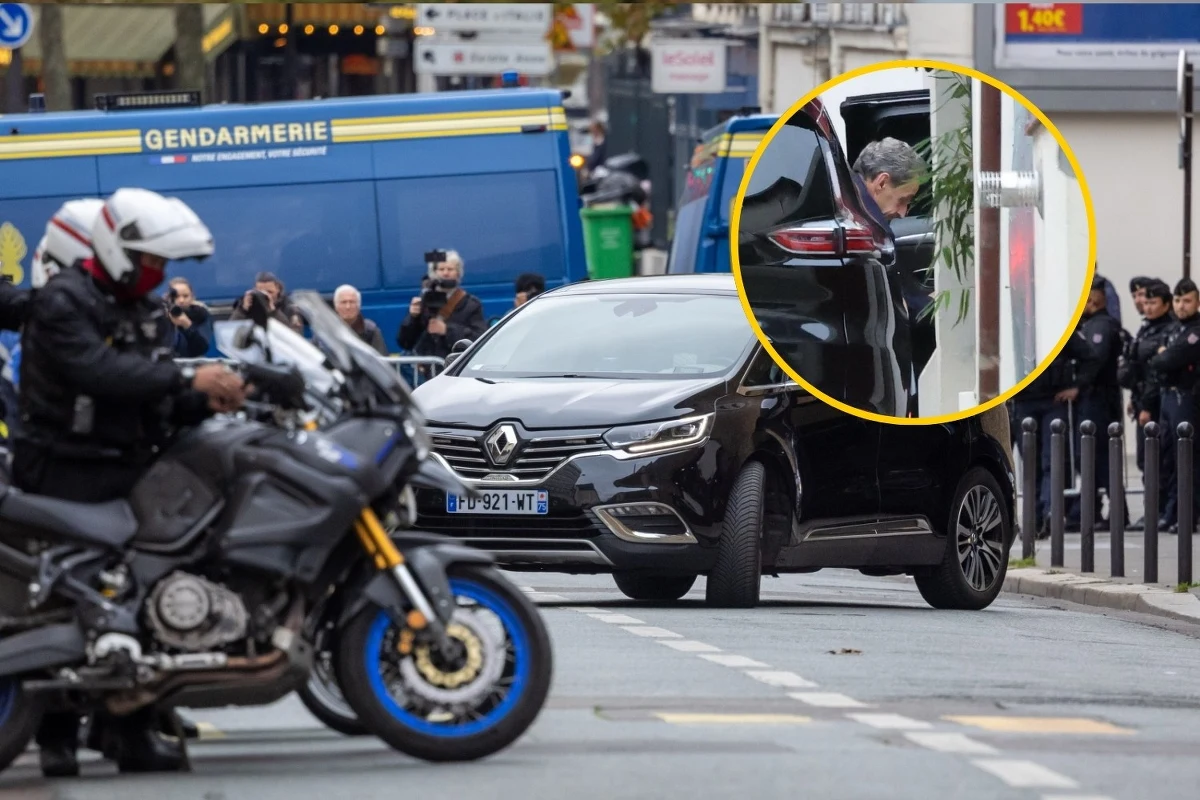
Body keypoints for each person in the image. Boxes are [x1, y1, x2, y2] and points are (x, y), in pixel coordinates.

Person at [16, 187, 248, 776]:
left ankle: (130, 729)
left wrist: (210, 403)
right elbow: (98, 371)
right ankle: (56, 738)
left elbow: (153, 394)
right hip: (64, 470)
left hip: (127, 463)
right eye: (152, 262)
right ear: (117, 250)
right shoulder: (62, 300)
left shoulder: (146, 310)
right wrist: (186, 384)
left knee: (156, 584)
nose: (159, 274)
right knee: (69, 601)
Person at [1012, 325, 1099, 538]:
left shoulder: (1056, 325)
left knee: (1051, 461)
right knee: (1031, 464)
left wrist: (1077, 386)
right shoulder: (1012, 323)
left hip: (1053, 400)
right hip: (1023, 401)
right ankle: (1035, 520)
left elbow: (1091, 358)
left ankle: (1049, 512)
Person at [1075, 275, 1129, 529]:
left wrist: (1076, 386)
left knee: (1103, 458)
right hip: (1096, 399)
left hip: (1098, 400)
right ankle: (1095, 513)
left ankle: (1117, 515)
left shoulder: (1101, 326)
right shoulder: (1094, 323)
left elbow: (1094, 361)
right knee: (1094, 459)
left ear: (1094, 298)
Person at [1119, 278, 1174, 529]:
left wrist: (1147, 406)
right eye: (1145, 301)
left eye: (1153, 302)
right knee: (1146, 462)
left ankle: (1164, 511)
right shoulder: (1147, 328)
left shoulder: (1167, 330)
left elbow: (1155, 374)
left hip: (1157, 404)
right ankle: (1156, 510)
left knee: (1160, 461)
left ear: (1166, 304)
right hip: (1143, 399)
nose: (1147, 306)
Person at [1147, 278, 1200, 534]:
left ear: (1197, 302)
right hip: (1167, 398)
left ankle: (1187, 514)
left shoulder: (1195, 330)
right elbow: (1148, 357)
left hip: (1186, 398)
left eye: (1187, 300)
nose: (1181, 306)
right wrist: (1160, 354)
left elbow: (1170, 358)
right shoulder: (1173, 329)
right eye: (1178, 300)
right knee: (1168, 459)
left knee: (1186, 460)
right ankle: (1171, 512)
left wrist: (1162, 354)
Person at [397, 250, 487, 359]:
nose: (445, 273)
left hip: (454, 366)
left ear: (458, 273)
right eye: (441, 269)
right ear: (434, 273)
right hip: (426, 369)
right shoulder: (425, 300)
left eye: (450, 269)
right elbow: (405, 342)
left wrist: (446, 330)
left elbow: (479, 339)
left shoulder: (471, 304)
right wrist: (412, 317)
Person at [230, 270, 303, 333]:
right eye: (261, 292)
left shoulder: (289, 307)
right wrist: (243, 310)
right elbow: (232, 331)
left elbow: (295, 336)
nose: (266, 295)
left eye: (270, 292)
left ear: (278, 289)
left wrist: (274, 312)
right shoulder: (249, 306)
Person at [163, 276, 214, 358]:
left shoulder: (201, 315)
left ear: (192, 297)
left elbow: (202, 349)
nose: (181, 300)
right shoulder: (160, 315)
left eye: (185, 296)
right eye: (176, 296)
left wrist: (187, 325)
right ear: (168, 298)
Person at [333, 283, 388, 355]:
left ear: (358, 306)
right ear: (336, 306)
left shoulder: (371, 330)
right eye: (343, 302)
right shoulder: (326, 329)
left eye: (352, 302)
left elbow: (382, 359)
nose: (348, 307)